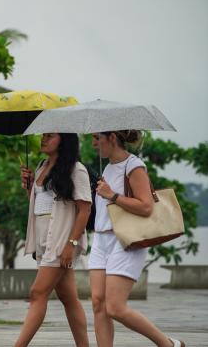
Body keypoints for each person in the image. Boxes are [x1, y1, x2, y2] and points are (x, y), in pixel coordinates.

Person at [89, 130, 185, 347]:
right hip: (101, 240)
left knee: (115, 307)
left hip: (126, 241)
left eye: (97, 138)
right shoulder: (108, 167)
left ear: (111, 138)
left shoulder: (134, 165)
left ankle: (167, 344)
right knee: (98, 303)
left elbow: (146, 206)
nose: (94, 144)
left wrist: (112, 195)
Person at [15, 133, 91, 347]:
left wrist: (72, 244)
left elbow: (85, 209)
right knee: (68, 298)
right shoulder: (41, 167)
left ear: (64, 140)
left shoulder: (76, 170)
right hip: (43, 239)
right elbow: (38, 205)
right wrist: (29, 186)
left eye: (50, 136)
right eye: (43, 135)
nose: (43, 139)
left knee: (37, 293)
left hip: (60, 239)